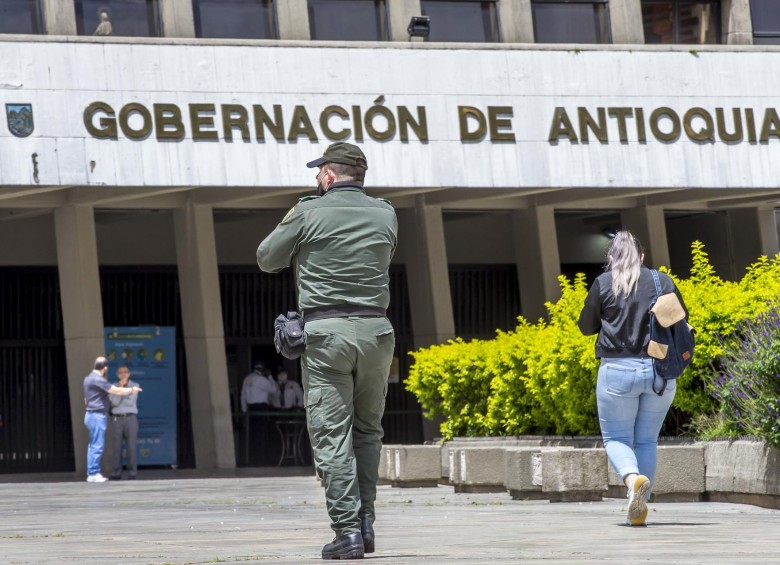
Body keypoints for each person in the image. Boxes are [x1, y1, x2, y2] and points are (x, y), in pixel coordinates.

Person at [257, 142, 396, 559]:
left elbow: (266, 258)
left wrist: (302, 219)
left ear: (330, 176)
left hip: (326, 334)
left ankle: (347, 531)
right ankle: (366, 524)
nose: (317, 177)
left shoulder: (308, 211)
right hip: (377, 330)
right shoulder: (386, 212)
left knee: (332, 436)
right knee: (368, 431)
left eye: (320, 172)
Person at [577, 230, 687, 526]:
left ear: (611, 257)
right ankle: (639, 504)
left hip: (617, 372)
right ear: (641, 256)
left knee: (616, 438)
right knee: (647, 440)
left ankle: (632, 481)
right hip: (659, 371)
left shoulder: (603, 284)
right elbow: (681, 321)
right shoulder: (661, 281)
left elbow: (586, 327)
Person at [83, 356, 142, 483]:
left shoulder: (88, 379)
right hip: (98, 415)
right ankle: (93, 473)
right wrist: (131, 390)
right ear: (105, 368)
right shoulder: (99, 380)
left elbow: (88, 399)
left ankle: (92, 472)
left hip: (94, 414)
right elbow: (116, 394)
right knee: (97, 446)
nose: (123, 374)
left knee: (93, 445)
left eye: (125, 372)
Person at [108, 365, 140, 480]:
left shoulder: (135, 386)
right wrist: (120, 389)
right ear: (117, 375)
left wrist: (119, 393)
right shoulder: (112, 387)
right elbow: (114, 403)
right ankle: (116, 473)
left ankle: (132, 473)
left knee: (131, 447)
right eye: (120, 372)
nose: (123, 374)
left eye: (125, 372)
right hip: (117, 419)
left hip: (131, 418)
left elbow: (130, 402)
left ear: (129, 374)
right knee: (116, 447)